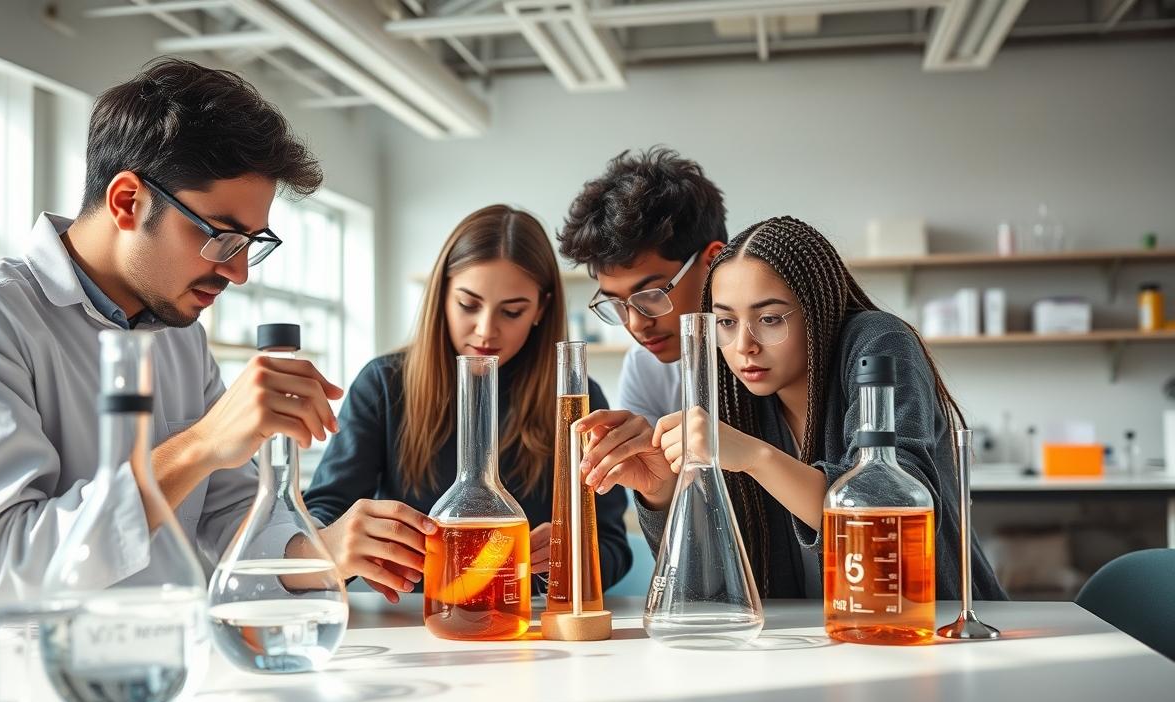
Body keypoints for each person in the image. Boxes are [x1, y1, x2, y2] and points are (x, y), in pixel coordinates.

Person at [0, 58, 342, 628]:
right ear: (127, 200)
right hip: (6, 691)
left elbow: (228, 515)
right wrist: (200, 444)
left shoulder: (180, 338)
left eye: (252, 242)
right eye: (222, 237)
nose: (238, 273)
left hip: (153, 671)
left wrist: (325, 551)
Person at [583, 216, 1006, 600]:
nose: (744, 345)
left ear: (817, 311)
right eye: (726, 322)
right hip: (813, 643)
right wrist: (660, 493)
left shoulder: (879, 345)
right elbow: (705, 588)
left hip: (932, 624)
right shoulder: (730, 390)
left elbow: (889, 520)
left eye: (769, 319)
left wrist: (755, 457)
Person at [304, 205, 632, 603]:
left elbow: (613, 545)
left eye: (512, 311)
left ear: (541, 310)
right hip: (413, 623)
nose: (486, 330)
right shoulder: (385, 384)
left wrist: (566, 560)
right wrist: (340, 550)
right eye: (468, 304)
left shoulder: (574, 401)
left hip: (524, 624)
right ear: (442, 293)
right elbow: (325, 511)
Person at [555, 147, 726, 510]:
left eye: (650, 295)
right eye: (617, 304)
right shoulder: (644, 366)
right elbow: (677, 544)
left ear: (713, 262)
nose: (635, 324)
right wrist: (659, 491)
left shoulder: (773, 358)